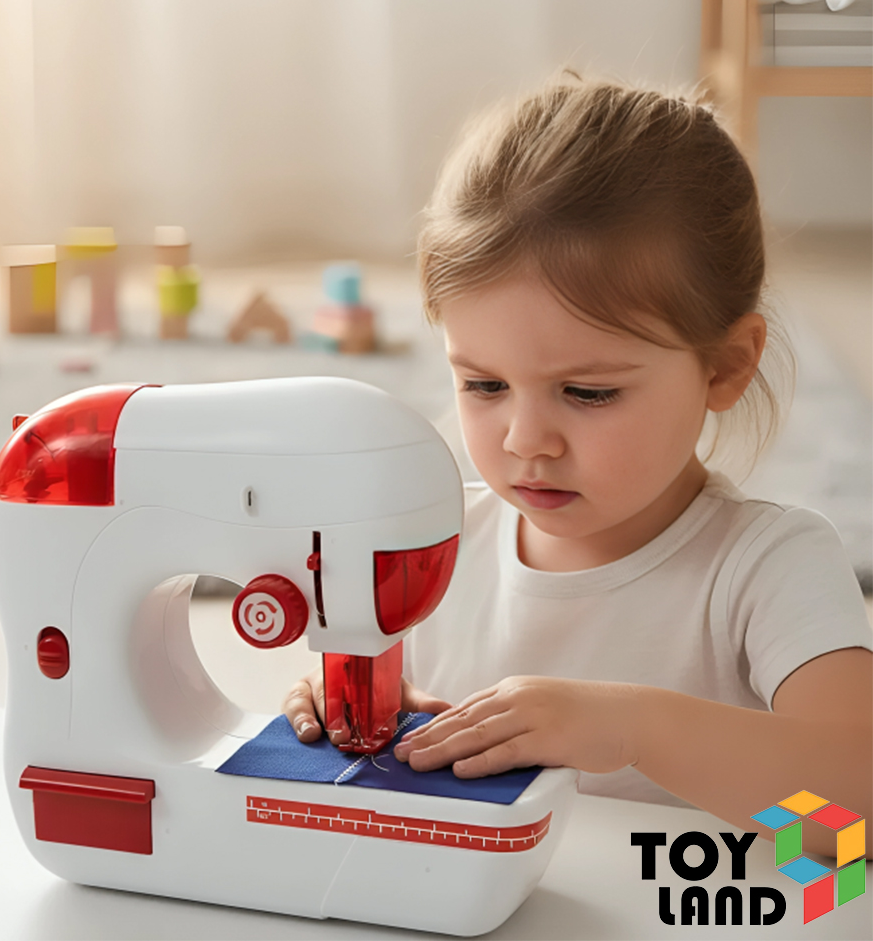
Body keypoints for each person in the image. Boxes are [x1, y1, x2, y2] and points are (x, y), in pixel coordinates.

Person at [283, 75, 872, 857]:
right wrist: (364, 705)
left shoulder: (770, 566)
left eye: (588, 392)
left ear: (726, 366)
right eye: (484, 385)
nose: (527, 441)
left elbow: (857, 808)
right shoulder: (434, 545)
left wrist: (630, 729)